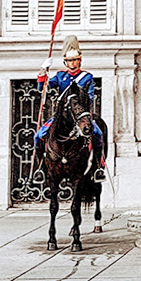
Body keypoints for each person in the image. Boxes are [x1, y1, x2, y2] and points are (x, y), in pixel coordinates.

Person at [34, 36, 107, 182]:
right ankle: (40, 167)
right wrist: (43, 70)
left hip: (79, 115)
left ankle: (98, 167)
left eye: (74, 60)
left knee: (98, 134)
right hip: (61, 115)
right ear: (65, 62)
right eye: (69, 61)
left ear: (80, 61)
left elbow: (90, 97)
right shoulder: (60, 76)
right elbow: (43, 88)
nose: (72, 63)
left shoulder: (86, 77)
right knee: (38, 136)